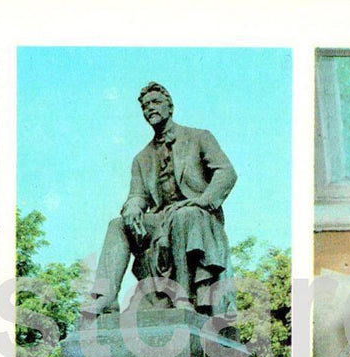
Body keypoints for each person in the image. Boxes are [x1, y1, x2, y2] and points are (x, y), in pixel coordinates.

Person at [81, 81, 237, 321]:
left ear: (170, 107)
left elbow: (226, 172)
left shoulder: (198, 137)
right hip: (161, 219)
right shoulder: (142, 158)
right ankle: (106, 295)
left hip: (198, 216)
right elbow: (137, 195)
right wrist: (132, 208)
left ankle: (182, 296)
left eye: (155, 102)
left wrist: (202, 201)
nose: (150, 109)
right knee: (117, 225)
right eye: (145, 106)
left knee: (183, 215)